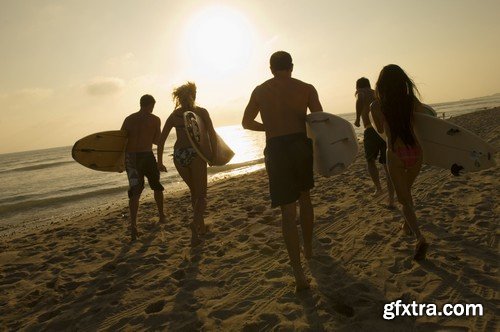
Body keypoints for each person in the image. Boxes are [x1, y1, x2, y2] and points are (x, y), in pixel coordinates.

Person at [242, 51, 324, 291]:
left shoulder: (260, 90)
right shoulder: (306, 88)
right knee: (305, 198)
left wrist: (269, 125)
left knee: (288, 212)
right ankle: (308, 247)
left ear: (271, 68)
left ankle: (298, 274)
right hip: (300, 144)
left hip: (276, 148)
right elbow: (318, 120)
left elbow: (246, 123)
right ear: (292, 66)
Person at [370, 64, 429, 260]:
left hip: (395, 153)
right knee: (406, 193)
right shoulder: (411, 101)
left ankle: (420, 238)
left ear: (381, 84)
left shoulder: (377, 105)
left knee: (403, 200)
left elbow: (378, 128)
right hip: (416, 152)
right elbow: (426, 121)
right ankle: (406, 225)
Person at [158, 82, 216, 247]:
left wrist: (160, 162)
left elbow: (161, 141)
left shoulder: (174, 115)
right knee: (202, 195)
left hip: (179, 155)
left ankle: (201, 227)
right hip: (195, 153)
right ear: (194, 95)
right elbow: (211, 134)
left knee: (194, 193)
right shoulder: (201, 112)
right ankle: (195, 224)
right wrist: (212, 155)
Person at [121, 94, 165, 241]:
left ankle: (134, 226)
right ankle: (161, 216)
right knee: (155, 187)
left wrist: (121, 162)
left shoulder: (129, 119)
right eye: (152, 106)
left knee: (136, 191)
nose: (153, 109)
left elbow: (121, 142)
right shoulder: (155, 119)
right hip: (146, 156)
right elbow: (158, 141)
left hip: (132, 159)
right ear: (150, 105)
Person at [355, 77, 395, 207]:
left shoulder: (361, 92)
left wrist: (356, 118)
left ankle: (378, 188)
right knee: (386, 163)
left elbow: (360, 100)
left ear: (358, 86)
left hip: (371, 130)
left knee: (370, 160)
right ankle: (391, 200)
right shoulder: (377, 93)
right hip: (384, 129)